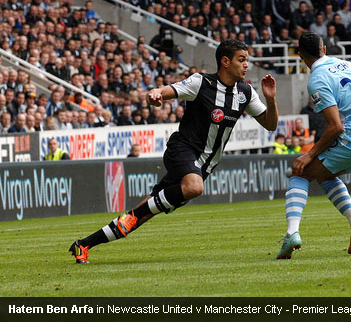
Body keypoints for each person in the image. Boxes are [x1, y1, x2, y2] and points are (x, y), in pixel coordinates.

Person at [69, 39, 279, 264]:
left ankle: (84, 244)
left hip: (205, 164)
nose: (246, 65)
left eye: (247, 60)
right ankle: (129, 219)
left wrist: (270, 98)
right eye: (241, 60)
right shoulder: (201, 82)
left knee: (143, 213)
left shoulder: (245, 92)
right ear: (225, 62)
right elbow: (167, 90)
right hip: (182, 149)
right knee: (194, 187)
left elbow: (270, 124)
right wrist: (155, 93)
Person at [277, 32, 351, 259]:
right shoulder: (347, 64)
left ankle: (292, 233)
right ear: (324, 49)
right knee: (326, 174)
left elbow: (335, 127)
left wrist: (309, 154)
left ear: (300, 56)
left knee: (301, 171)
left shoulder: (317, 79)